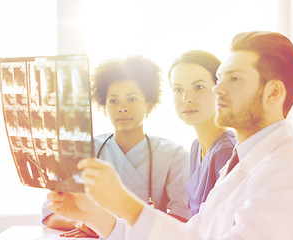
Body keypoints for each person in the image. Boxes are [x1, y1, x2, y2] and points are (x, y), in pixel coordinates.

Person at [48, 31, 293, 239]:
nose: (217, 89)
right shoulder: (242, 164)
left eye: (234, 79)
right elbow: (191, 235)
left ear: (273, 92)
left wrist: (124, 203)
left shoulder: (292, 171)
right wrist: (91, 213)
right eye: (220, 78)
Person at [43, 56, 190, 237]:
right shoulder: (83, 150)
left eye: (132, 99)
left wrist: (109, 225)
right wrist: (86, 222)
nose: (122, 107)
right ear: (103, 106)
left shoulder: (173, 155)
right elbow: (51, 212)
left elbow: (183, 219)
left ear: (149, 105)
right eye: (113, 101)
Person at [169, 50, 236, 216]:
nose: (187, 98)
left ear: (220, 89)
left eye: (198, 87)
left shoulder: (227, 153)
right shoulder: (196, 147)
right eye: (178, 89)